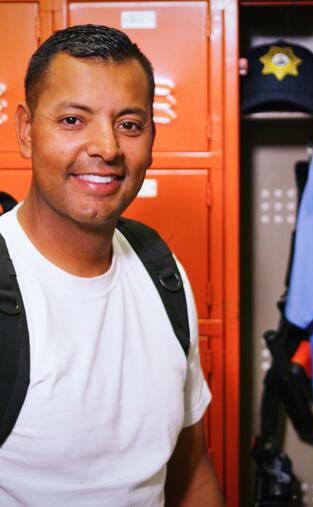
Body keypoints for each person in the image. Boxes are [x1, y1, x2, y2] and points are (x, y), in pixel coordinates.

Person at [0, 24, 224, 506]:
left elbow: (191, 471)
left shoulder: (162, 272)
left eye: (129, 124)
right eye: (73, 121)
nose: (107, 148)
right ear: (25, 130)